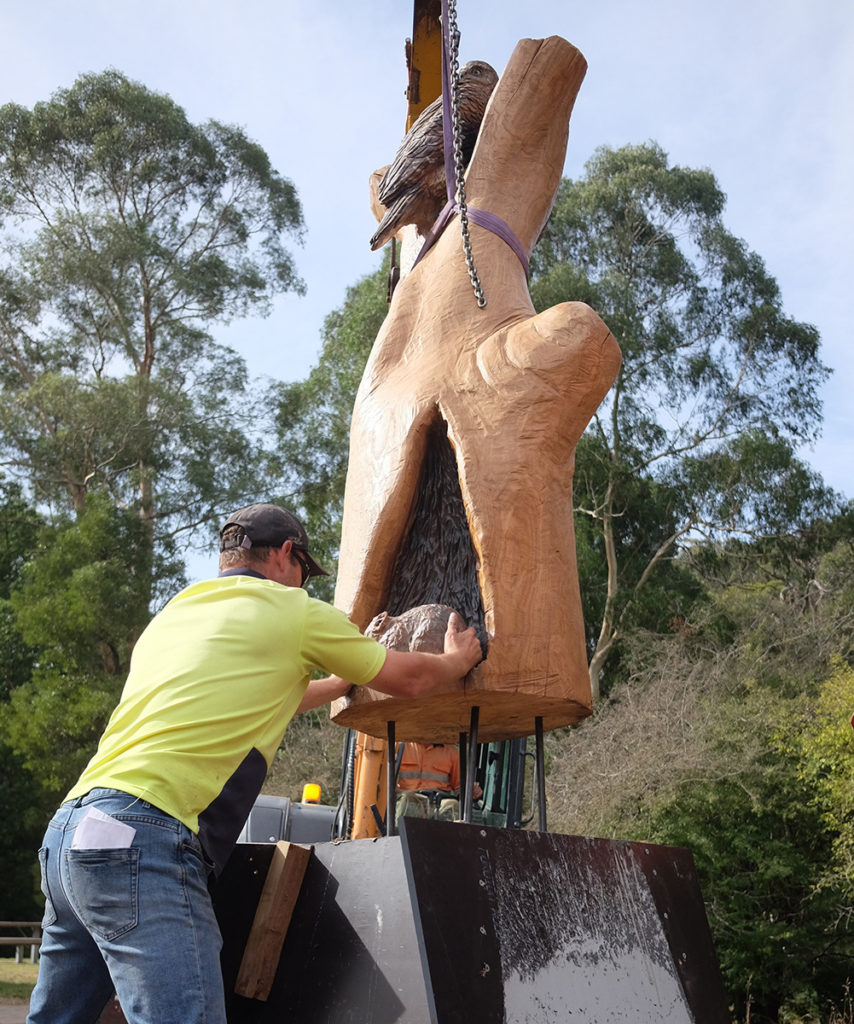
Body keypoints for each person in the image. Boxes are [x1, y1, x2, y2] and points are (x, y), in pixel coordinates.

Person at [28, 503, 482, 1024]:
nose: (302, 584)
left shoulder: (178, 612)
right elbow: (410, 679)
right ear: (287, 554)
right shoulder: (293, 610)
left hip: (72, 834)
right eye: (304, 573)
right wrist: (456, 660)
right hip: (147, 836)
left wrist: (337, 683)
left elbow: (261, 689)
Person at [396, 742, 483, 822]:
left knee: (453, 805)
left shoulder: (452, 752)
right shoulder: (399, 747)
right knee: (408, 800)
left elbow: (459, 787)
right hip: (410, 799)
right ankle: (399, 836)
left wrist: (472, 791)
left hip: (438, 802)